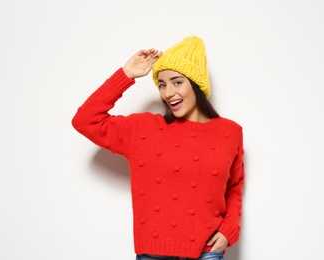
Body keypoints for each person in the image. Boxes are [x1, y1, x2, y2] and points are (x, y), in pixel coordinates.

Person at [72, 36, 245, 260]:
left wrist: (228, 230)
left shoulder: (230, 132)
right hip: (154, 253)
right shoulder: (143, 129)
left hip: (207, 252)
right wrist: (125, 75)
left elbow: (234, 187)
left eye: (177, 82)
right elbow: (85, 120)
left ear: (196, 83)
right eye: (162, 85)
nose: (168, 93)